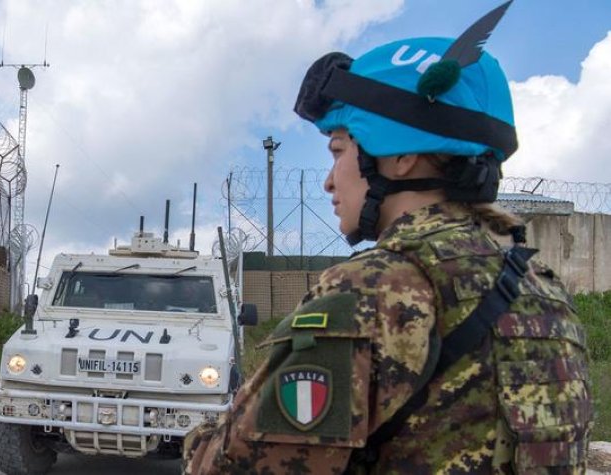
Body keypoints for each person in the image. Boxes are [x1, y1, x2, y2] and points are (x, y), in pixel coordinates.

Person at [184, 2, 592, 473]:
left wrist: (204, 439)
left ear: (400, 158)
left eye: (339, 150)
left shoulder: (376, 289)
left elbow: (239, 466)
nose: (330, 181)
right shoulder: (543, 289)